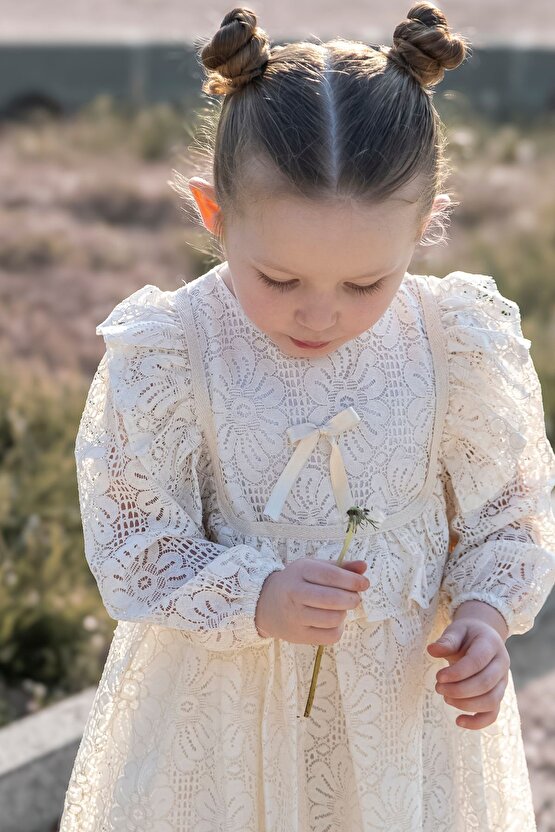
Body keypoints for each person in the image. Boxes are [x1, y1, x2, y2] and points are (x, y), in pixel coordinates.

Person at [59, 4, 555, 830]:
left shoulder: (456, 343)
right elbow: (133, 539)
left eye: (365, 284)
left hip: (401, 717)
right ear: (213, 213)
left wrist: (480, 618)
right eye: (279, 279)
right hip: (221, 721)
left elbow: (509, 511)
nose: (319, 315)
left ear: (424, 226)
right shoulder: (172, 351)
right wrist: (255, 597)